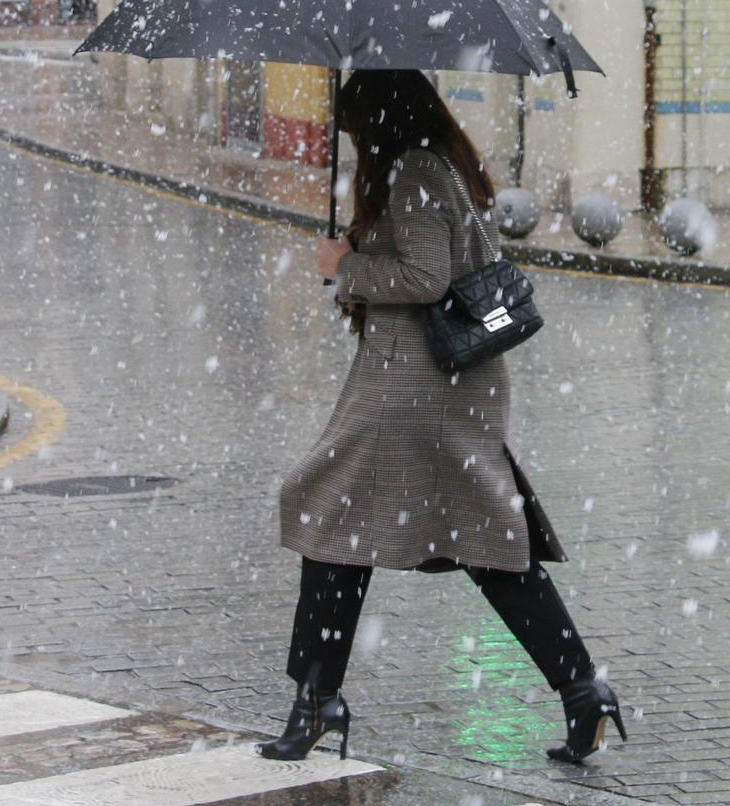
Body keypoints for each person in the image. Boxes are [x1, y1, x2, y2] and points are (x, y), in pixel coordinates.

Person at [260, 69, 625, 766]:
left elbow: (426, 279)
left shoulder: (415, 170)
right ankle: (582, 689)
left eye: (354, 127)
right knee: (483, 543)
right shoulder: (440, 162)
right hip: (442, 383)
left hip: (415, 387)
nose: (352, 141)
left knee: (332, 513)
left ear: (380, 120)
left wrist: (347, 266)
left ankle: (316, 701)